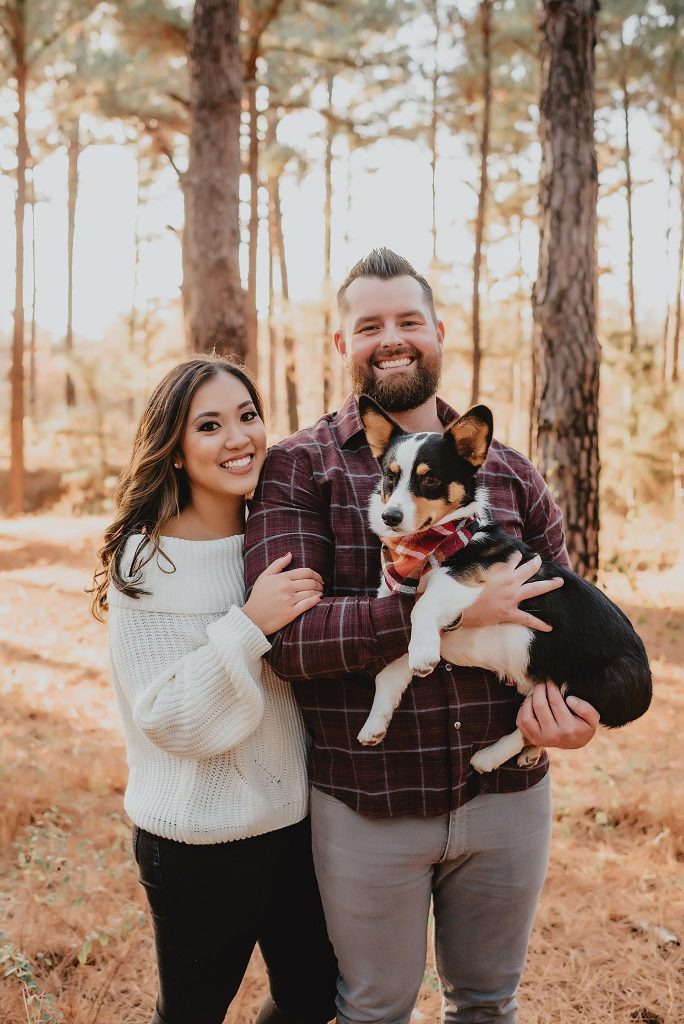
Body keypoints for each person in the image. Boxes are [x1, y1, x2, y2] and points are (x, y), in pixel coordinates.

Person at [244, 249, 600, 1024]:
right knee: (374, 1008)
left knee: (487, 1003)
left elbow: (564, 620)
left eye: (408, 320)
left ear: (438, 331)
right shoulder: (301, 469)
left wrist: (570, 718)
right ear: (343, 346)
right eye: (369, 325)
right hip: (369, 800)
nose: (392, 337)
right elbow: (290, 645)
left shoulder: (509, 473)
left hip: (507, 797)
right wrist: (446, 612)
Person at [90, 356, 337, 1024]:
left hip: (295, 825)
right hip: (196, 843)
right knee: (193, 1014)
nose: (238, 438)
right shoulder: (146, 562)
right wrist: (250, 624)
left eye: (248, 416)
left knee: (312, 1002)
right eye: (210, 425)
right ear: (174, 448)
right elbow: (170, 718)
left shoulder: (282, 534)